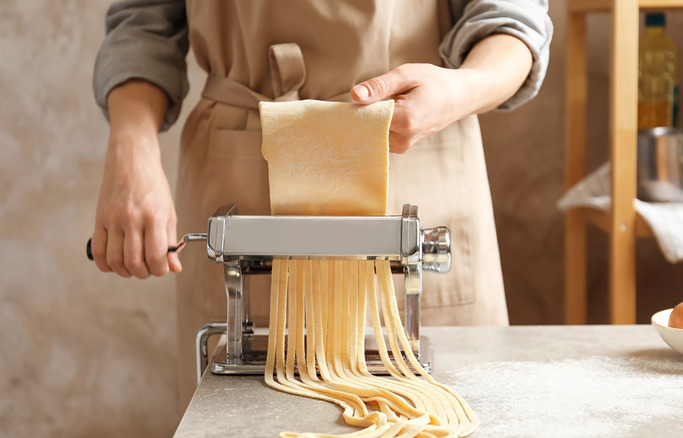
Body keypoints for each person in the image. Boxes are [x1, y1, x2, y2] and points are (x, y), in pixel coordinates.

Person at [91, 0, 553, 410]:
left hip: (413, 154)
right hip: (239, 174)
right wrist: (130, 149)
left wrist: (461, 88)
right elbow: (144, 20)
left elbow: (511, 17)